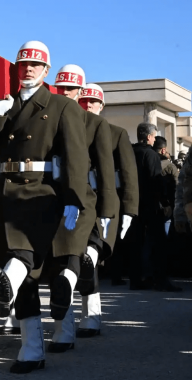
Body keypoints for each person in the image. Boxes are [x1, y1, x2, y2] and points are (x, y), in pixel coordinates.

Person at [0, 41, 87, 373]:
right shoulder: (6, 103)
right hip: (6, 192)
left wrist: (73, 197)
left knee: (23, 256)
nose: (28, 69)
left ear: (45, 70)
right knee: (24, 278)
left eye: (35, 65)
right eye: (23, 64)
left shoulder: (61, 106)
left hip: (41, 191)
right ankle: (31, 348)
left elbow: (75, 156)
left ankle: (6, 289)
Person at [45, 66, 118, 354]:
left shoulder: (95, 124)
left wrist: (109, 211)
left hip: (83, 199)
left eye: (71, 89)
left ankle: (75, 325)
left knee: (72, 259)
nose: (66, 93)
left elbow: (107, 170)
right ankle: (63, 328)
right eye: (61, 88)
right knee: (56, 264)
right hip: (47, 196)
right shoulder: (46, 116)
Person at [76, 84, 139, 337]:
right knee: (76, 260)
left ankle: (91, 315)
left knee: (89, 257)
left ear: (102, 106)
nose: (88, 105)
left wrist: (130, 209)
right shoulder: (67, 129)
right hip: (75, 201)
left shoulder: (116, 133)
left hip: (104, 202)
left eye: (93, 102)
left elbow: (128, 173)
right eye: (84, 101)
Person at [130, 124, 180, 292]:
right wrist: (165, 203)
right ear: (149, 137)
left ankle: (136, 279)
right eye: (153, 135)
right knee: (158, 243)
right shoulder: (151, 155)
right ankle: (160, 280)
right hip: (150, 205)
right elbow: (155, 181)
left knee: (136, 242)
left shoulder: (130, 152)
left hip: (133, 203)